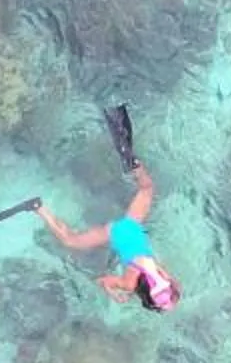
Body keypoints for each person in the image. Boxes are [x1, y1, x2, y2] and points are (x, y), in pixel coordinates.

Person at [28, 107, 179, 312]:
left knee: (147, 188)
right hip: (116, 233)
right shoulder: (129, 284)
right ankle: (38, 208)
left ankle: (132, 162)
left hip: (133, 226)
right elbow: (102, 280)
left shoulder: (161, 274)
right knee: (70, 240)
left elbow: (172, 287)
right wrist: (114, 293)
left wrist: (167, 289)